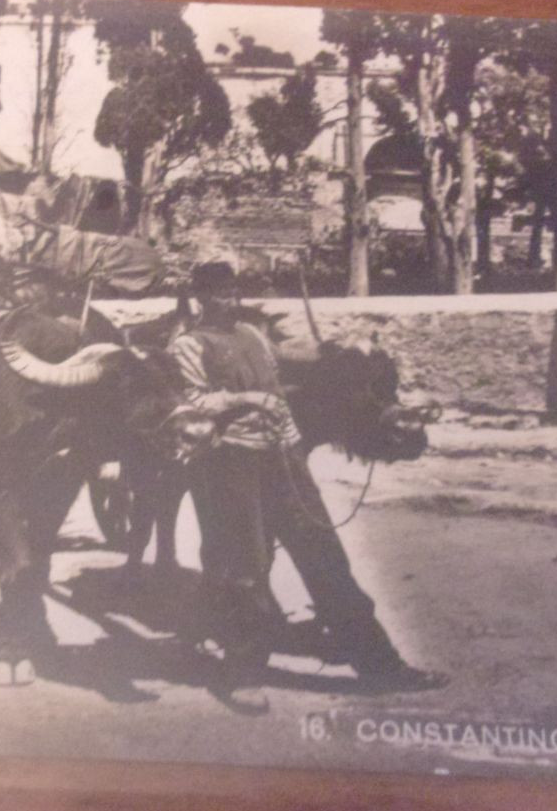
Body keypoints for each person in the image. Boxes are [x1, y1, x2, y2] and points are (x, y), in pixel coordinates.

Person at [169, 262, 445, 704]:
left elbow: (282, 374)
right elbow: (194, 400)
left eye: (231, 291)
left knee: (326, 558)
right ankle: (242, 673)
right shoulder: (188, 344)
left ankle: (382, 667)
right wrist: (246, 399)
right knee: (246, 569)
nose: (226, 300)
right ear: (199, 296)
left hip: (284, 458)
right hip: (230, 464)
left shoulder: (253, 335)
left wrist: (342, 352)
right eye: (216, 292)